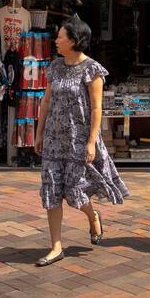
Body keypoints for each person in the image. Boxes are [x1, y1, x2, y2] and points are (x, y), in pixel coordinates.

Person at [34, 15, 129, 266]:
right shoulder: (54, 67)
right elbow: (46, 101)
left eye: (60, 37)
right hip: (54, 138)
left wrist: (91, 142)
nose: (56, 40)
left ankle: (92, 215)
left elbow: (97, 109)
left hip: (78, 139)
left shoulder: (92, 69)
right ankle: (56, 246)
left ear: (74, 40)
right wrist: (39, 131)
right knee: (52, 191)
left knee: (75, 190)